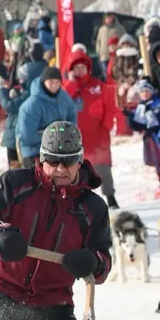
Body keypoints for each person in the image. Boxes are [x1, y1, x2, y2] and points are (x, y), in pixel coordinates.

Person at [0, 121, 111, 320]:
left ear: (80, 161)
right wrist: (1, 233)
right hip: (3, 290)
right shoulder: (15, 184)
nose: (60, 169)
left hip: (53, 300)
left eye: (68, 162)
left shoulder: (93, 208)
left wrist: (91, 262)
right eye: (53, 161)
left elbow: (103, 263)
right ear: (42, 159)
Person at [63, 48, 121, 207]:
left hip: (98, 134)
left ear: (88, 68)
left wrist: (106, 127)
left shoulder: (98, 86)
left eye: (83, 67)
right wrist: (71, 83)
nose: (80, 70)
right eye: (76, 67)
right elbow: (62, 104)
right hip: (76, 137)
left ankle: (110, 196)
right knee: (76, 169)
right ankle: (79, 200)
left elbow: (110, 108)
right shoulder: (66, 87)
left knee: (103, 168)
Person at [16, 66, 80, 168]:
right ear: (43, 82)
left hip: (58, 151)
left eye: (57, 82)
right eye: (51, 82)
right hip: (34, 152)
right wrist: (56, 137)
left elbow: (72, 114)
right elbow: (27, 137)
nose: (54, 85)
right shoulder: (31, 106)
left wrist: (69, 133)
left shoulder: (64, 98)